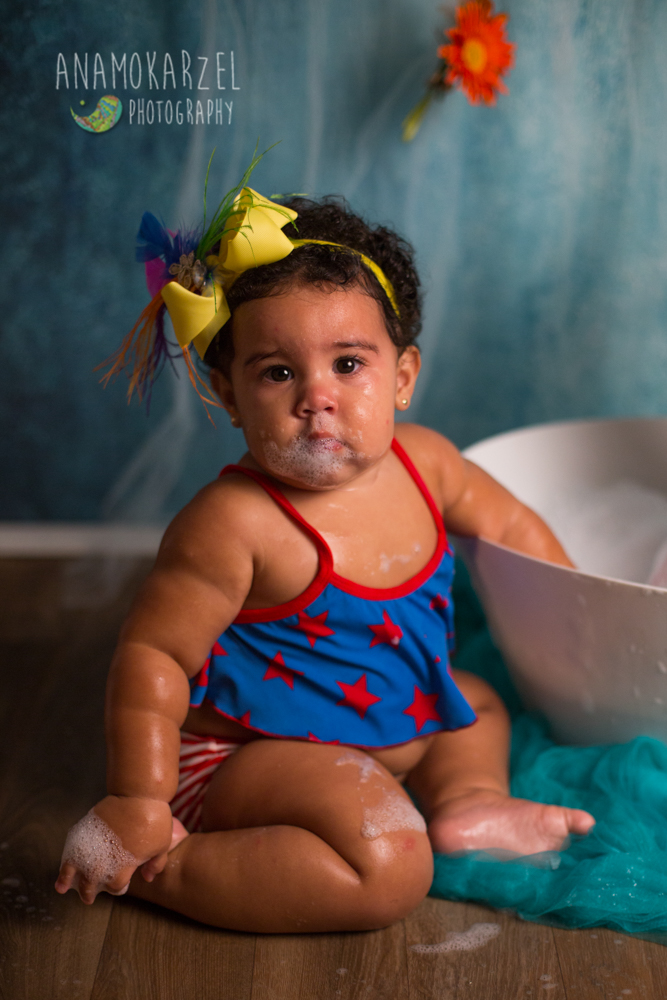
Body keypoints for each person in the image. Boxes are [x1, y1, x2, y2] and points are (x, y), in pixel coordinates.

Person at [55, 180, 595, 933]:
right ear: (231, 396)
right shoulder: (235, 523)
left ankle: (468, 802)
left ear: (401, 378)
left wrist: (583, 608)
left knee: (476, 703)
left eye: (347, 364)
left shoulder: (428, 463)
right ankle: (157, 866)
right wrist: (137, 798)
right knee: (390, 866)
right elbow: (154, 655)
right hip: (248, 755)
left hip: (387, 722)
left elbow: (512, 525)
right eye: (278, 372)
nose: (317, 395)